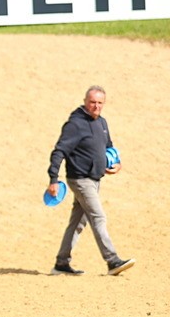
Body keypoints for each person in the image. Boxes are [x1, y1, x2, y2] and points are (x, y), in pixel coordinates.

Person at [47, 86, 134, 276]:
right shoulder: (75, 124)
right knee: (98, 217)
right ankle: (112, 260)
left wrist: (117, 163)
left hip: (95, 179)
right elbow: (59, 151)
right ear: (85, 101)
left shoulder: (102, 123)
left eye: (100, 103)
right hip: (80, 179)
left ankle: (61, 263)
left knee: (77, 223)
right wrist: (53, 179)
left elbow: (109, 147)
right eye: (92, 102)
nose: (96, 106)